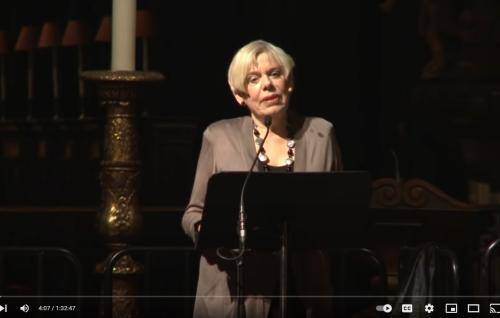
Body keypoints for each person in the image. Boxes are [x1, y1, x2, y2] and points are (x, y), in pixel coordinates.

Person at [182, 39, 343, 318]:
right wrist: (207, 232)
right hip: (240, 291)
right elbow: (193, 212)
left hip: (304, 292)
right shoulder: (219, 137)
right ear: (240, 95)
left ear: (289, 83)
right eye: (253, 79)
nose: (267, 85)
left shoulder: (321, 133)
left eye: (275, 74)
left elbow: (340, 207)